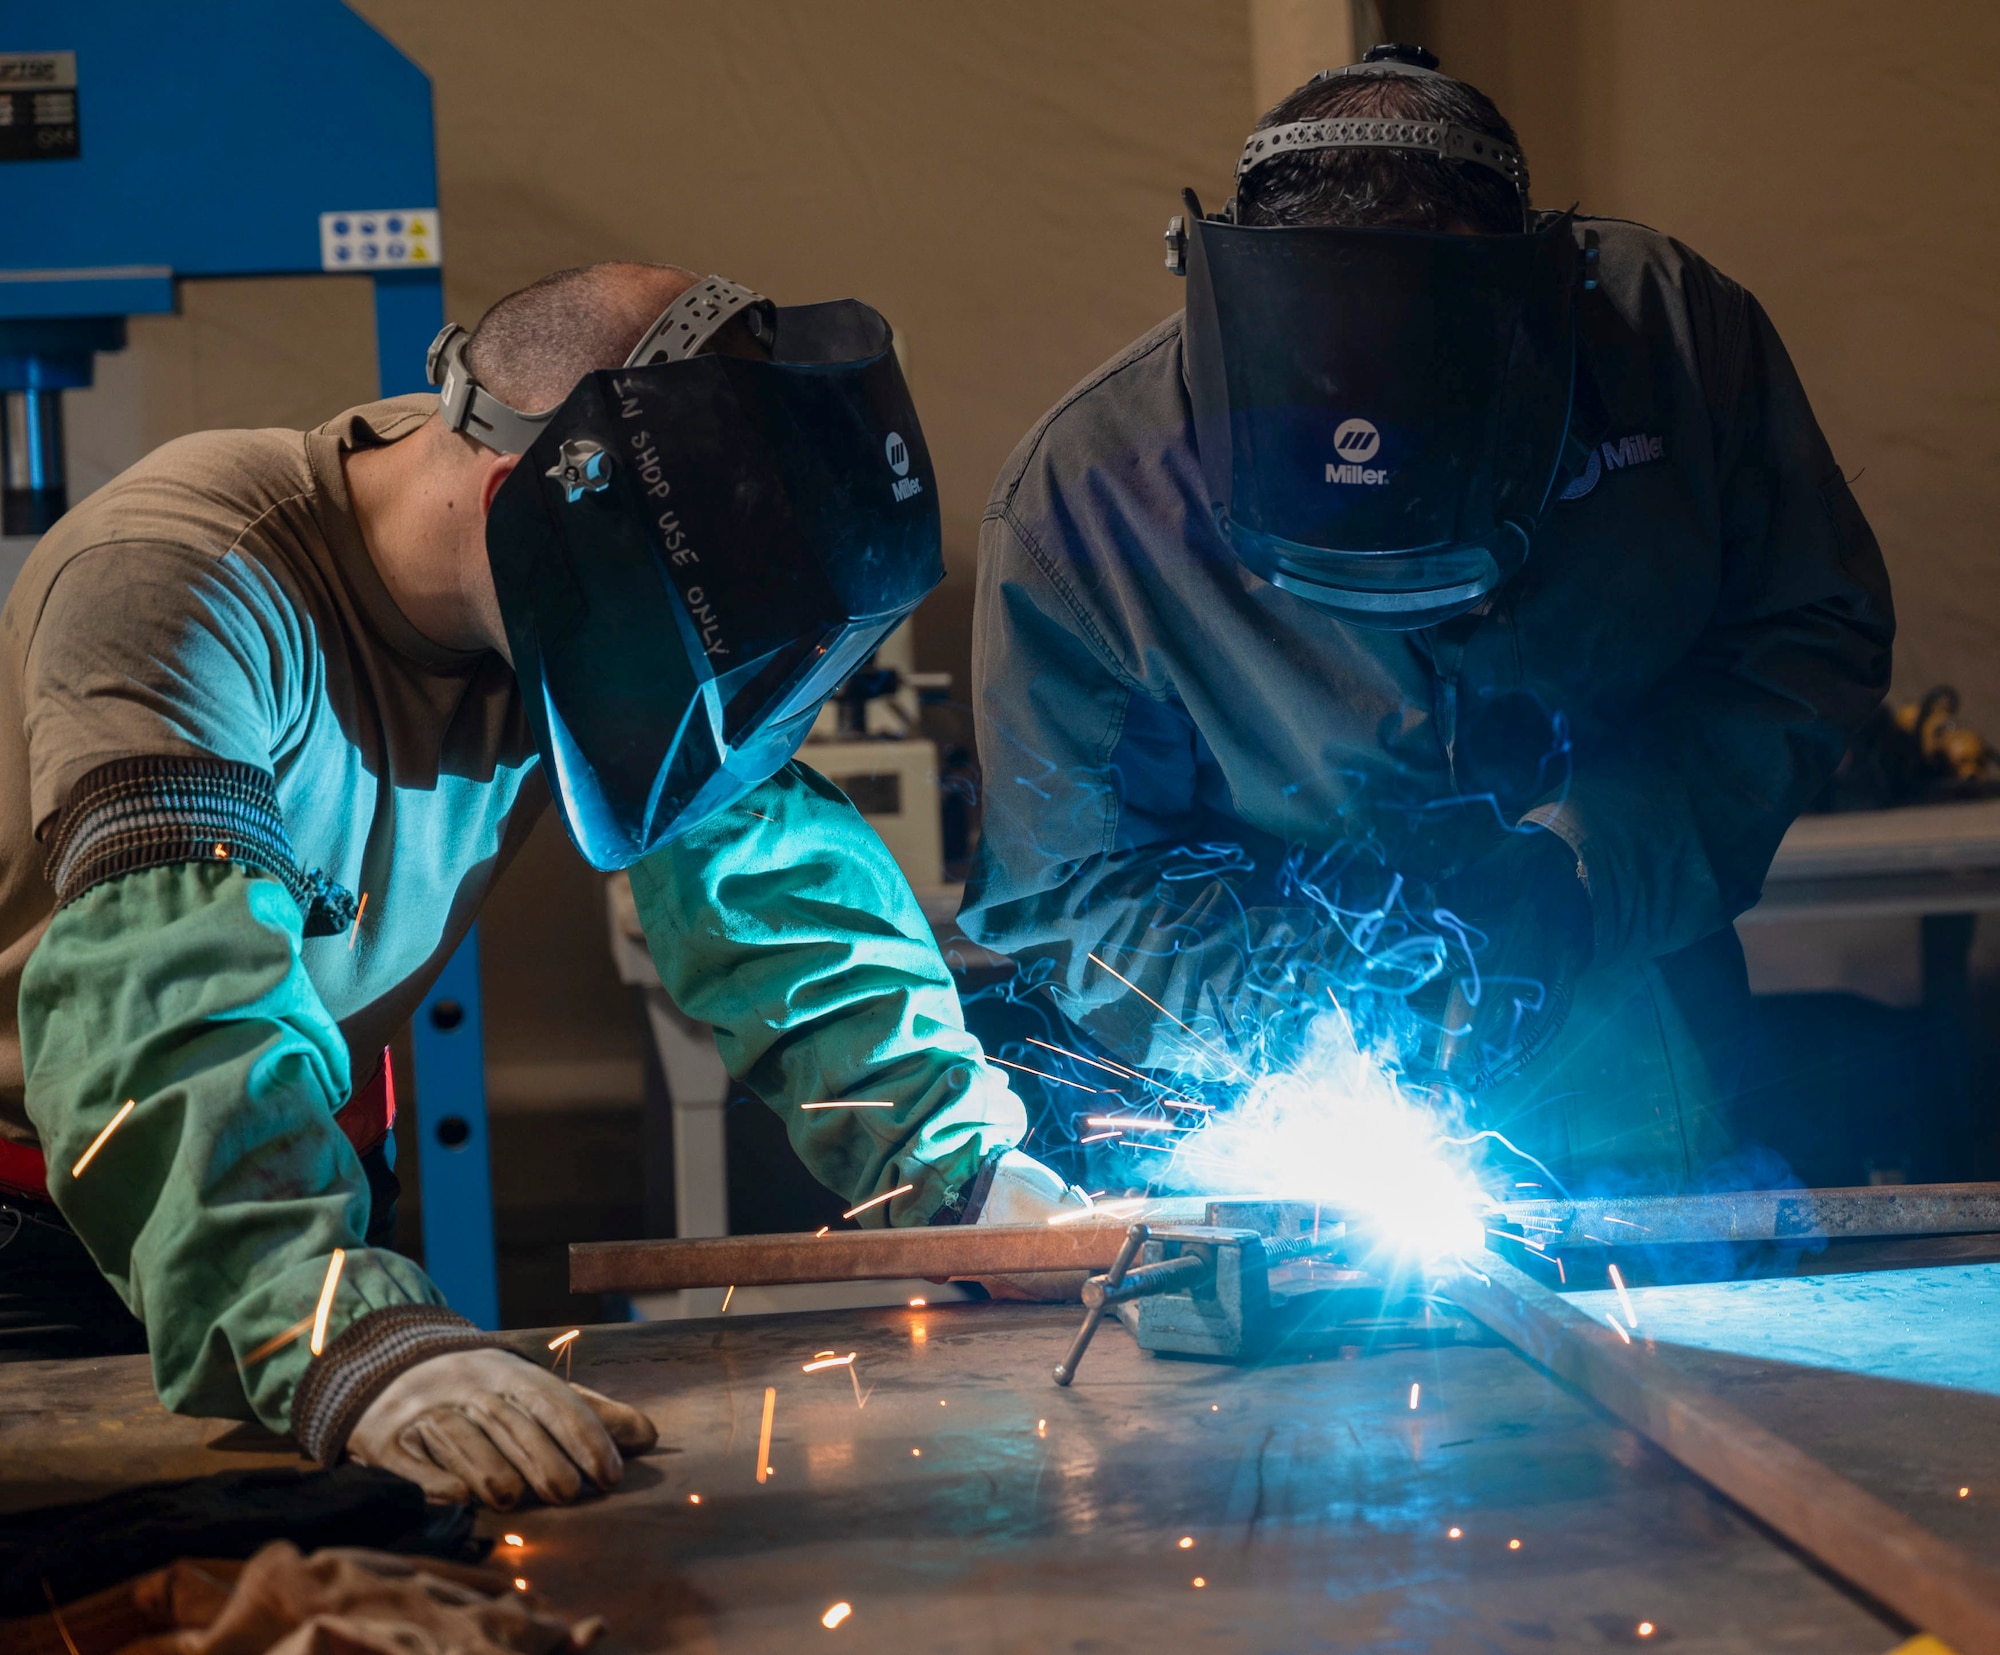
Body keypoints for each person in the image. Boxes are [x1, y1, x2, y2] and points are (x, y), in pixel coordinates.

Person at [0, 261, 1083, 1509]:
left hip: (293, 1189)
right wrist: (336, 1328)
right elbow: (163, 1013)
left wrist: (961, 1171)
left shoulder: (565, 573)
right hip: (42, 1227)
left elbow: (774, 892)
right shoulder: (182, 585)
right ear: (525, 504)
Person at [959, 47, 1894, 1194]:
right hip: (1280, 1107)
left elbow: (1804, 633)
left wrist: (1582, 869)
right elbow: (1069, 876)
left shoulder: (1672, 345)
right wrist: (1304, 1015)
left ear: (1548, 292)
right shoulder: (1088, 500)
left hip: (1639, 1036)